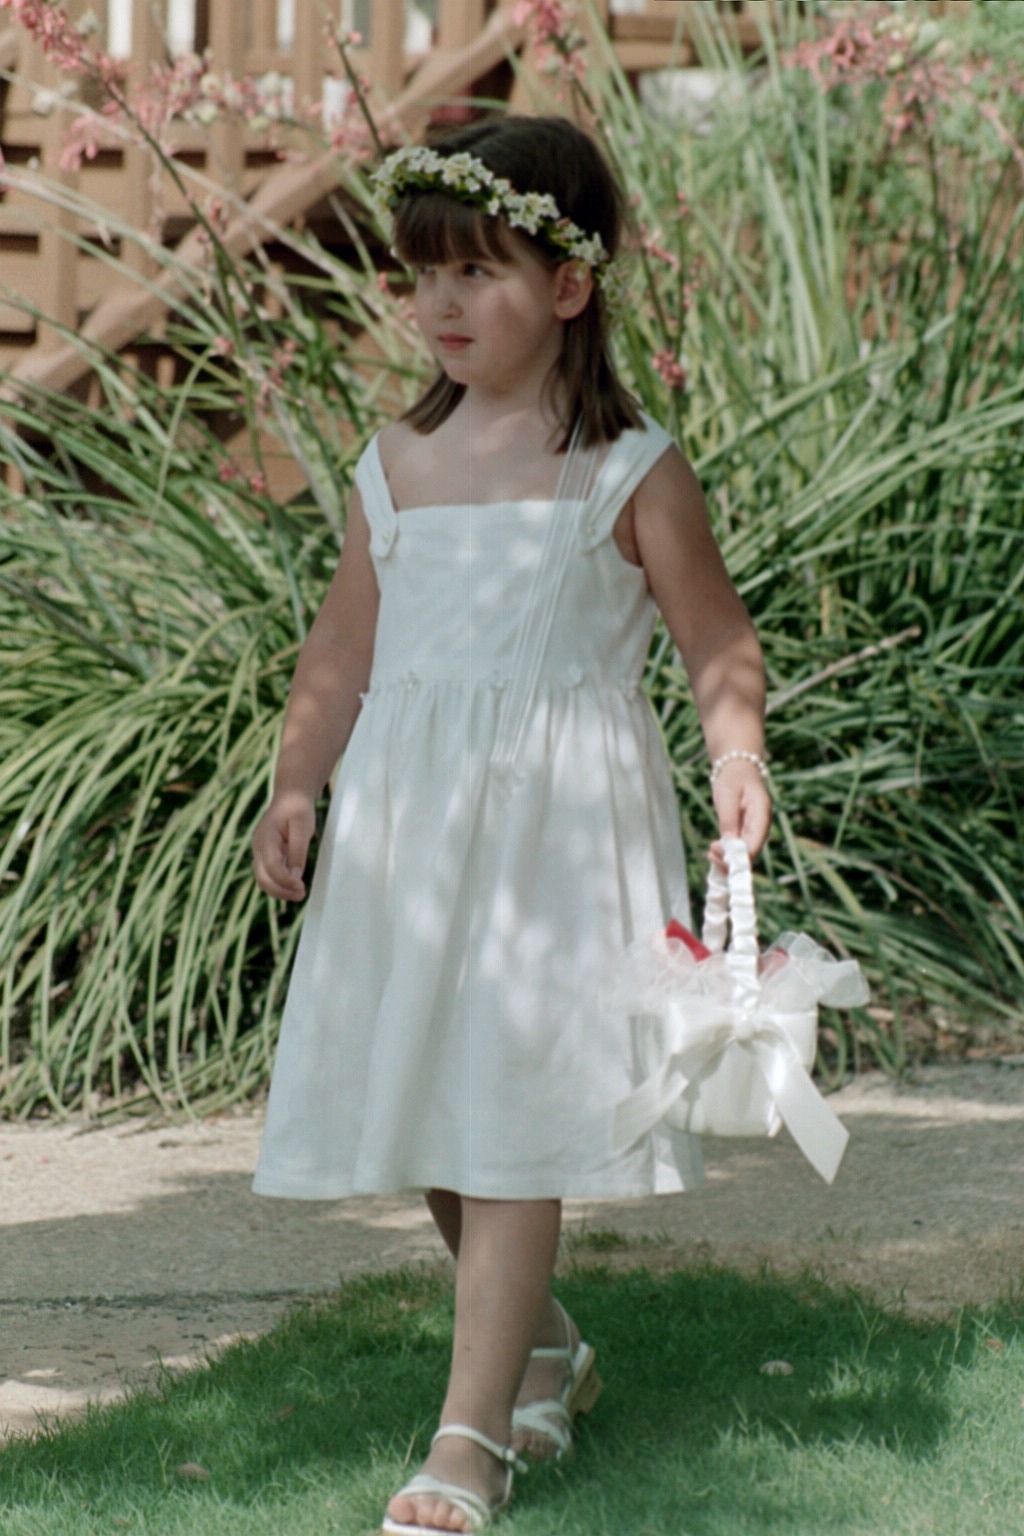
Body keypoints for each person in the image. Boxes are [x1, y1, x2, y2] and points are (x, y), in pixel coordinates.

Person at [251, 115, 771, 1535]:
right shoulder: (393, 465)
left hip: (553, 839)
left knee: (509, 1120)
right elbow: (340, 652)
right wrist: (298, 783)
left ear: (569, 286)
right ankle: (542, 1347)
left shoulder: (626, 467)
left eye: (478, 271)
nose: (440, 302)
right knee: (426, 1104)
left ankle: (469, 1439)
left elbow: (716, 636)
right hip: (408, 837)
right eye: (424, 273)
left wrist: (737, 754)